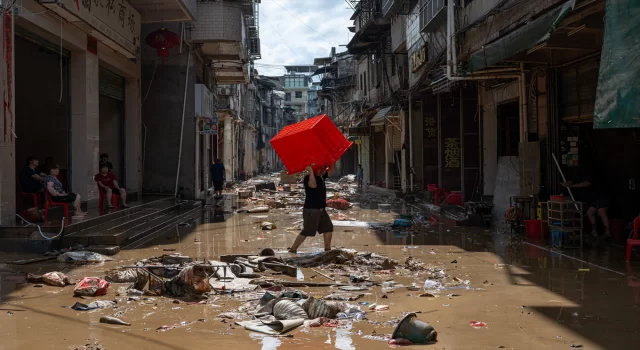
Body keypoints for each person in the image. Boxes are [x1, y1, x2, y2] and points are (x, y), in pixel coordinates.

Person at [288, 163, 335, 254]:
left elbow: (330, 170)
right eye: (320, 169)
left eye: (323, 168)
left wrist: (331, 161)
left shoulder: (321, 177)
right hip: (311, 210)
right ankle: (293, 249)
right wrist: (310, 171)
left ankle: (327, 250)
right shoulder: (308, 178)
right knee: (307, 231)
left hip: (321, 210)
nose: (323, 170)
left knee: (328, 228)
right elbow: (313, 185)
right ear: (313, 170)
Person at [561, 172, 610, 237]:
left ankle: (607, 232)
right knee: (589, 213)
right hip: (594, 198)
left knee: (601, 211)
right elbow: (575, 181)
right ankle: (594, 231)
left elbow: (586, 183)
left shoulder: (592, 176)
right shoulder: (580, 177)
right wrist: (568, 183)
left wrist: (570, 185)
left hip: (602, 197)